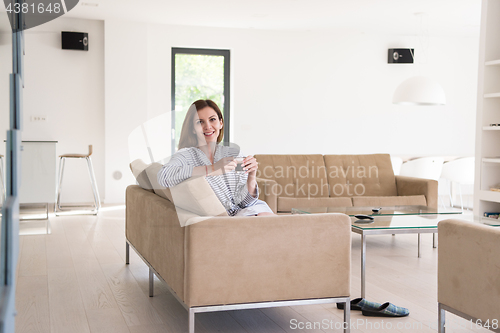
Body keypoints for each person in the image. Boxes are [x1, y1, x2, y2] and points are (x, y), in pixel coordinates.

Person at [157, 99, 274, 216]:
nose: (208, 126)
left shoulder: (233, 153)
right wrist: (212, 168)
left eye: (212, 119)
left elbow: (245, 203)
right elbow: (163, 177)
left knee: (277, 224)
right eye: (200, 122)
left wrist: (252, 175)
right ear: (193, 129)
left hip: (249, 210)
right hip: (224, 216)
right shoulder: (185, 155)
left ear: (221, 123)